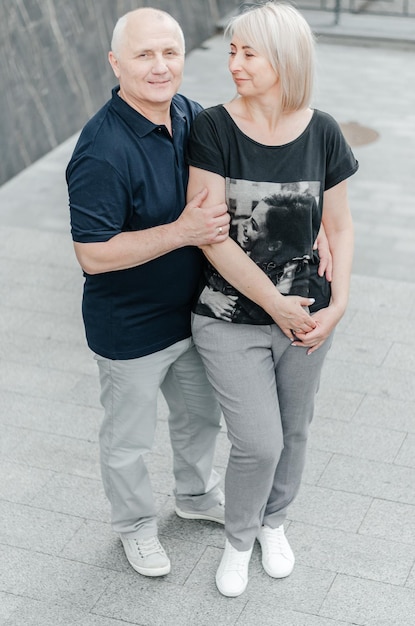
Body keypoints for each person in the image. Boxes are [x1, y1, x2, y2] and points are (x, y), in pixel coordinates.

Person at [186, 1, 358, 597]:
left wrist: (338, 305)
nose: (233, 62)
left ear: (284, 59)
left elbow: (339, 226)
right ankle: (238, 538)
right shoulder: (210, 128)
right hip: (229, 316)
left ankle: (274, 523)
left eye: (247, 52)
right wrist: (277, 306)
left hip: (308, 316)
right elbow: (212, 239)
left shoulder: (323, 131)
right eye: (231, 50)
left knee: (296, 429)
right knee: (258, 441)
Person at [66, 7, 232, 579]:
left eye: (170, 53)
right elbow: (93, 253)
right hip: (129, 328)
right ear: (116, 63)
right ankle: (136, 526)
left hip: (191, 317)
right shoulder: (100, 150)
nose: (160, 67)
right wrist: (183, 232)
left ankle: (193, 495)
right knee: (128, 442)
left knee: (199, 419)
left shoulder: (189, 114)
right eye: (144, 55)